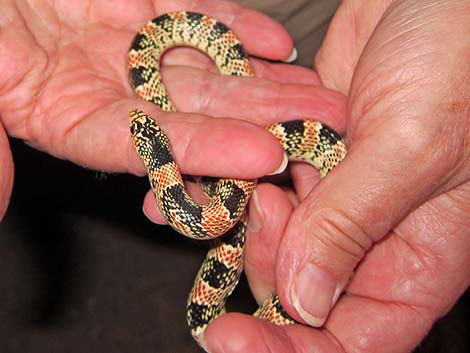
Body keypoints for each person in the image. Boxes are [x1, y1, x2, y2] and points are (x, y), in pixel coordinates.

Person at [0, 0, 468, 353]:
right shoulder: (168, 157)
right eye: (149, 128)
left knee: (258, 187)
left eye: (146, 124)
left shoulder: (174, 163)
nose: (145, 121)